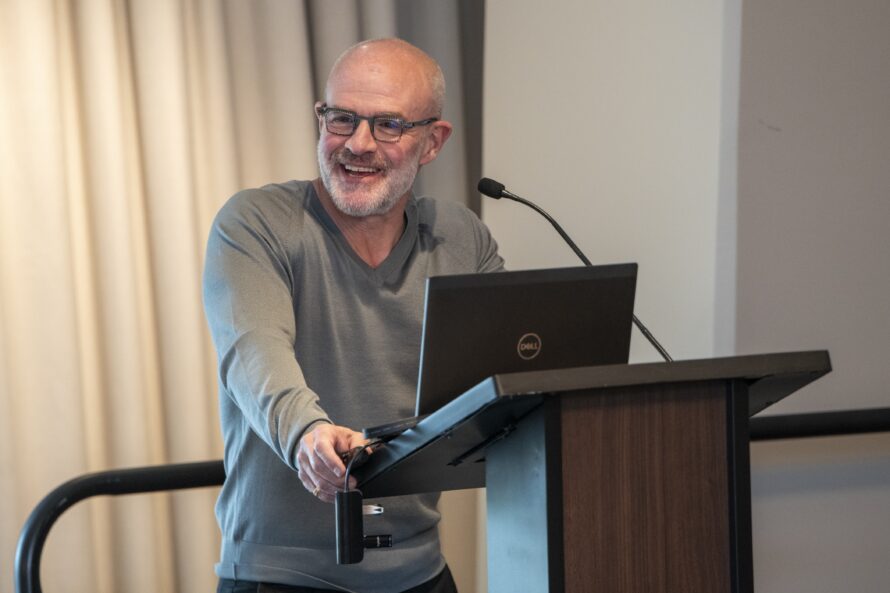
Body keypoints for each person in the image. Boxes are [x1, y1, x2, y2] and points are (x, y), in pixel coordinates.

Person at [203, 38, 504, 593]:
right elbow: (254, 351)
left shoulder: (460, 237)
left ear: (433, 141)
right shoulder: (256, 222)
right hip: (279, 576)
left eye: (388, 124)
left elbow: (503, 374)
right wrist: (307, 434)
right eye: (341, 119)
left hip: (422, 572)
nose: (357, 144)